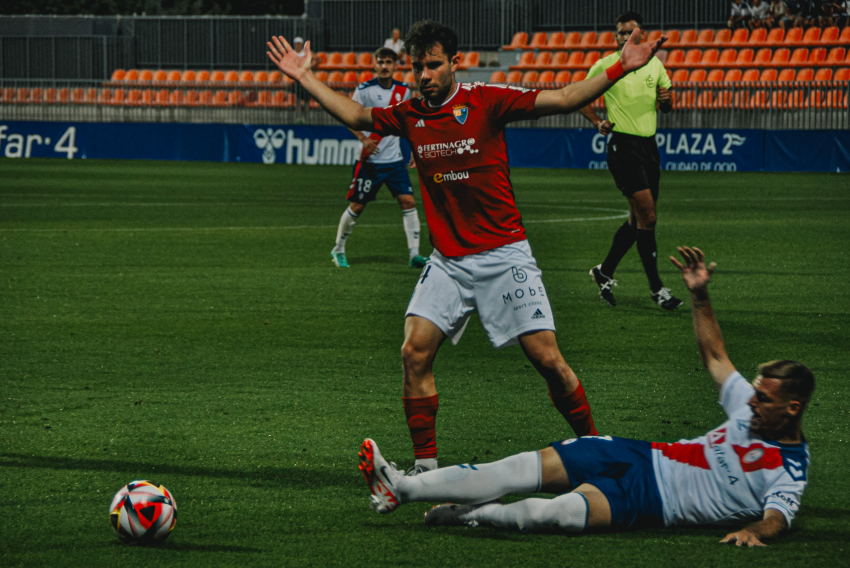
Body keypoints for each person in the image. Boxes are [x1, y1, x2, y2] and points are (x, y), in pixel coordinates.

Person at [267, 20, 667, 473]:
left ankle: (599, 454)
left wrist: (620, 69)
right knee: (413, 352)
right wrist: (304, 77)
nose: (423, 76)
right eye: (417, 67)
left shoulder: (486, 100)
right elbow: (356, 116)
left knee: (549, 361)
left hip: (504, 254)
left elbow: (564, 98)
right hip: (449, 262)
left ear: (455, 62)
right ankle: (426, 470)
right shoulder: (410, 112)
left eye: (433, 66)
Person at [359, 246, 814, 547]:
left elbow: (779, 517)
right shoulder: (748, 407)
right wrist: (699, 297)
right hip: (635, 454)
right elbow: (716, 358)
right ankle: (402, 487)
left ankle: (470, 515)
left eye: (763, 401)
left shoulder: (790, 468)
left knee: (550, 516)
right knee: (516, 468)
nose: (750, 404)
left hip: (652, 502)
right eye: (753, 396)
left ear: (792, 408)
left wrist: (755, 531)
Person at [579, 12, 681, 310]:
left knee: (638, 220)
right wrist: (598, 121)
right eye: (620, 33)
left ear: (640, 33)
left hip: (649, 148)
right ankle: (657, 289)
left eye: (629, 32)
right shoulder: (606, 65)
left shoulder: (654, 63)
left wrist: (666, 101)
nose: (624, 37)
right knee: (648, 218)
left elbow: (667, 106)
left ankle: (604, 271)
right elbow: (581, 97)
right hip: (622, 147)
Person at [331, 47, 428, 269]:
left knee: (408, 202)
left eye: (389, 62)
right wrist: (363, 140)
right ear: (375, 65)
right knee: (357, 206)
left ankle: (414, 254)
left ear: (395, 66)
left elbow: (407, 122)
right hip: (370, 162)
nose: (384, 66)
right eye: (381, 62)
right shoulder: (364, 90)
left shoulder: (403, 91)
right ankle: (338, 249)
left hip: (394, 162)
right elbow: (347, 117)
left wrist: (412, 149)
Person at [292, 37, 319, 121]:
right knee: (298, 100)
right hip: (297, 79)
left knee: (307, 100)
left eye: (299, 43)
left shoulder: (306, 52)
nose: (298, 45)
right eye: (297, 44)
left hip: (306, 78)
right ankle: (298, 118)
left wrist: (309, 66)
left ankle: (306, 119)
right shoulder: (292, 53)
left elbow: (317, 59)